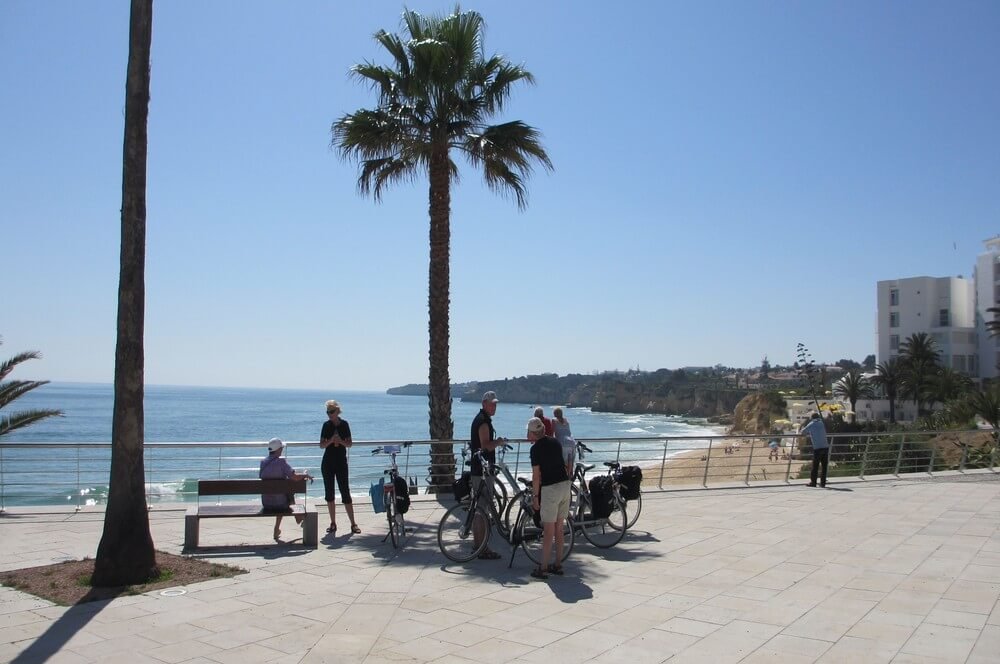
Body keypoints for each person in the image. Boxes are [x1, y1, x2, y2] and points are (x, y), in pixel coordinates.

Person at [527, 417, 570, 580]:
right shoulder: (555, 442)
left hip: (550, 489)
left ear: (532, 433)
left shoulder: (535, 450)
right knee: (559, 528)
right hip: (565, 485)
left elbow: (536, 476)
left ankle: (543, 567)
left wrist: (535, 496)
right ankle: (557, 564)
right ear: (543, 430)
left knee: (548, 530)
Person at [259, 438, 313, 541]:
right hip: (281, 504)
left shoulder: (263, 463)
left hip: (266, 503)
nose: (282, 450)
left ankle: (276, 528)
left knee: (282, 491)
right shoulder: (281, 462)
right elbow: (295, 477)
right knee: (286, 492)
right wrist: (305, 474)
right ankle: (299, 518)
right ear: (278, 449)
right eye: (282, 448)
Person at [470, 391, 503, 560]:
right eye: (492, 404)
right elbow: (485, 446)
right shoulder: (483, 422)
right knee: (482, 509)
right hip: (482, 471)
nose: (494, 406)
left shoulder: (482, 419)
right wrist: (498, 442)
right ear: (484, 403)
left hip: (479, 469)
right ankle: (482, 548)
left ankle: (478, 545)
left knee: (479, 509)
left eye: (495, 403)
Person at [320, 400, 360, 534]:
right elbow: (321, 445)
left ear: (337, 411)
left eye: (331, 412)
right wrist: (331, 440)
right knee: (329, 493)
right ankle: (333, 523)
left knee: (345, 492)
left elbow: (349, 444)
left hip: (341, 462)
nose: (329, 414)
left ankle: (353, 524)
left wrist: (340, 441)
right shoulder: (326, 425)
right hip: (328, 463)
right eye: (328, 412)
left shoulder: (344, 425)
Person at [800, 412, 829, 487]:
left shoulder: (812, 424)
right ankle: (823, 483)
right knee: (824, 466)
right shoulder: (821, 423)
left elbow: (803, 432)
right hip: (825, 447)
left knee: (815, 466)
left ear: (812, 418)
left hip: (818, 448)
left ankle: (813, 482)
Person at [552, 406, 575, 475]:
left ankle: (563, 477)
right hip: (571, 442)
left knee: (563, 462)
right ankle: (569, 476)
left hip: (562, 443)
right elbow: (569, 432)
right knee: (570, 460)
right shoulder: (566, 420)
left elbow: (552, 433)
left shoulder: (554, 420)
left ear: (554, 414)